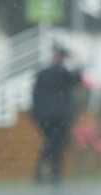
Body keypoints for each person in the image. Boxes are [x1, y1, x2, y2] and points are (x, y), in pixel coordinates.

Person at [31, 46, 82, 185]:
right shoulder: (64, 73)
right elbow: (78, 79)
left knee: (50, 141)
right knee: (56, 143)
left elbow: (35, 94)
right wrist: (76, 62)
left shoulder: (43, 73)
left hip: (45, 116)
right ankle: (53, 173)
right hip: (60, 116)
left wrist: (36, 114)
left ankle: (45, 169)